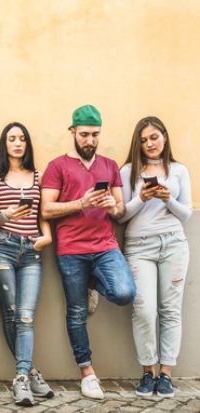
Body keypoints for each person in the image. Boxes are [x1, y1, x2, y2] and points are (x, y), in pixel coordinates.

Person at [40, 104, 136, 399]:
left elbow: (120, 210)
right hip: (71, 250)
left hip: (106, 246)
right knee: (77, 312)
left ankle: (94, 283)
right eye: (84, 134)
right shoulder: (57, 166)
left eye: (95, 135)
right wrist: (80, 203)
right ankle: (87, 372)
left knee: (124, 293)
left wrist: (112, 207)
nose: (90, 141)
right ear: (73, 132)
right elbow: (46, 208)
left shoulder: (109, 166)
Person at [119, 116, 191, 398]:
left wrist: (167, 198)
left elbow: (185, 214)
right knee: (144, 310)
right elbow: (122, 214)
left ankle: (166, 374)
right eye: (144, 139)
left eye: (154, 137)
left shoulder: (179, 170)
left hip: (173, 243)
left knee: (171, 310)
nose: (150, 144)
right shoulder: (128, 171)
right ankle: (148, 371)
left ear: (164, 136)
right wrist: (143, 198)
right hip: (139, 246)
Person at [0, 122, 54, 406]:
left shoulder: (38, 175)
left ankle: (23, 376)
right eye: (12, 139)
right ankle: (28, 376)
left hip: (31, 251)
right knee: (13, 312)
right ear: (5, 143)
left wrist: (47, 236)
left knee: (25, 316)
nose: (17, 143)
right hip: (3, 246)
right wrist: (7, 213)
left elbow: (42, 214)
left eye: (22, 139)